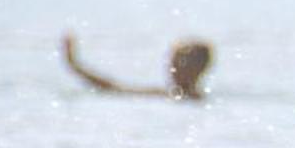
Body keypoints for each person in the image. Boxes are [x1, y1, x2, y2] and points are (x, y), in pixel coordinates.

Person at [62, 33, 212, 100]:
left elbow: (114, 89)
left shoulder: (173, 96)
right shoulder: (175, 95)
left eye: (177, 63)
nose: (170, 67)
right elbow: (116, 87)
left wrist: (75, 66)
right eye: (171, 61)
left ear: (196, 69)